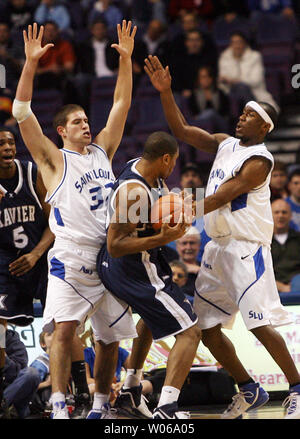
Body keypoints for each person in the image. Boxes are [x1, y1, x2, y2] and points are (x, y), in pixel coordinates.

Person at [144, 54, 300, 419]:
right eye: (242, 113)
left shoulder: (260, 159)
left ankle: (296, 387)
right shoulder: (225, 143)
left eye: (249, 116)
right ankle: (249, 388)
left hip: (247, 250)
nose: (241, 118)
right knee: (205, 329)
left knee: (259, 324)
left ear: (264, 127)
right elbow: (181, 130)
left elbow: (219, 197)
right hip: (217, 248)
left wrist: (182, 206)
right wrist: (165, 92)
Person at [12, 21, 138, 419]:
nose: (87, 124)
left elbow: (121, 104)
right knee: (64, 333)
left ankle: (101, 405)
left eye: (87, 120)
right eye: (79, 122)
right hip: (69, 256)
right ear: (62, 130)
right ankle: (60, 402)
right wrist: (31, 63)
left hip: (108, 255)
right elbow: (20, 111)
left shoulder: (102, 152)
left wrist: (126, 62)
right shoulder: (52, 159)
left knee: (109, 337)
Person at [97, 131, 202, 419]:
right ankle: (167, 408)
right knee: (191, 332)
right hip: (131, 267)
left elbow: (158, 208)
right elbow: (115, 245)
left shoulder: (146, 170)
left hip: (135, 263)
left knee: (149, 320)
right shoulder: (134, 192)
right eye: (173, 163)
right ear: (165, 158)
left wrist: (179, 204)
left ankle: (131, 388)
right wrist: (162, 238)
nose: (173, 170)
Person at [0, 128, 54, 408]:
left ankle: (63, 393)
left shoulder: (32, 173)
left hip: (40, 254)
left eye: (11, 142)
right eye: (1, 143)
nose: (8, 147)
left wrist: (35, 254)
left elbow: (55, 222)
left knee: (57, 324)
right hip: (6, 260)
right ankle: (5, 384)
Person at [218, 31, 278, 114]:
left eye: (239, 42)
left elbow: (255, 80)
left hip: (253, 92)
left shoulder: (255, 56)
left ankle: (251, 115)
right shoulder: (225, 56)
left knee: (242, 87)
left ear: (244, 44)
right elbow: (222, 78)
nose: (236, 46)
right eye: (234, 43)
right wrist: (231, 81)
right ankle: (251, 115)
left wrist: (235, 81)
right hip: (230, 92)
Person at [0, 328, 40, 419]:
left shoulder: (11, 338)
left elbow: (15, 372)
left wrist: (3, 357)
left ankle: (5, 409)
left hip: (9, 393)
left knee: (31, 373)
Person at [84, 330, 130, 396]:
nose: (102, 338)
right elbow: (87, 379)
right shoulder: (87, 353)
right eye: (98, 334)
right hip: (97, 386)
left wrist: (123, 383)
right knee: (91, 389)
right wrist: (107, 385)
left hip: (116, 388)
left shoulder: (121, 352)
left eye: (106, 334)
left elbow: (137, 375)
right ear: (92, 336)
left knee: (145, 384)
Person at [271, 199, 300, 293]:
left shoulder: (298, 238)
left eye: (284, 212)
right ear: (269, 215)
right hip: (271, 287)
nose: (280, 216)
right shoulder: (262, 243)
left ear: (291, 215)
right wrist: (281, 287)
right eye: (276, 212)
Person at [176, 226, 201, 295]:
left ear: (199, 245)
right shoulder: (168, 269)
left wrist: (201, 271)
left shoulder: (207, 268)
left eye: (192, 243)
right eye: (184, 243)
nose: (188, 247)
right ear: (177, 246)